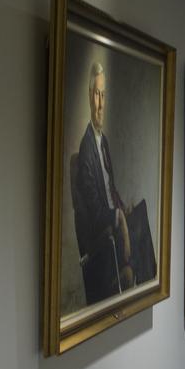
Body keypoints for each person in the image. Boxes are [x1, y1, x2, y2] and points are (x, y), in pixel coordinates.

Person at [71, 62, 145, 304]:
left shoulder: (103, 142)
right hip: (100, 237)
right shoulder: (86, 149)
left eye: (103, 95)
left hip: (112, 223)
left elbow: (111, 189)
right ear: (89, 96)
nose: (100, 104)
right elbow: (94, 211)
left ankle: (143, 286)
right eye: (96, 94)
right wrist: (119, 218)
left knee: (141, 214)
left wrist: (124, 208)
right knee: (131, 227)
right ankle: (134, 277)